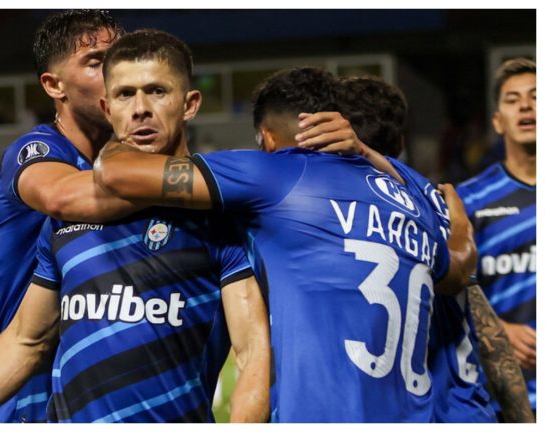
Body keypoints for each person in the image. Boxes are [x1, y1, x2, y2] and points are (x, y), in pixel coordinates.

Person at [0, 29, 271, 423]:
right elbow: (27, 338)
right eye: (125, 94)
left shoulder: (222, 220)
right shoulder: (67, 221)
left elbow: (253, 353)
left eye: (157, 91)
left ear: (190, 104)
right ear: (107, 109)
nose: (140, 108)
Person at [94, 66, 479, 421]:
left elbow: (116, 173)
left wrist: (116, 134)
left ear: (266, 138)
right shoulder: (407, 196)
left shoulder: (275, 173)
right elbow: (458, 269)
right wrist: (459, 226)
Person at [337, 75, 533, 423]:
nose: (526, 106)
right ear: (400, 142)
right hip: (469, 408)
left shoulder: (320, 226)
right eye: (514, 99)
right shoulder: (449, 207)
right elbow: (479, 316)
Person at [0, 10, 136, 423]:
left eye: (120, 58)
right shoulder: (35, 151)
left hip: (96, 399)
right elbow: (63, 196)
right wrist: (199, 181)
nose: (116, 75)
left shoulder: (129, 163)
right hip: (28, 397)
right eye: (95, 62)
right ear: (54, 85)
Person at [456, 58, 536, 420]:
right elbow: (447, 293)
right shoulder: (468, 200)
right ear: (497, 121)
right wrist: (499, 330)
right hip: (504, 399)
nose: (525, 105)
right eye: (513, 99)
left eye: (537, 96)